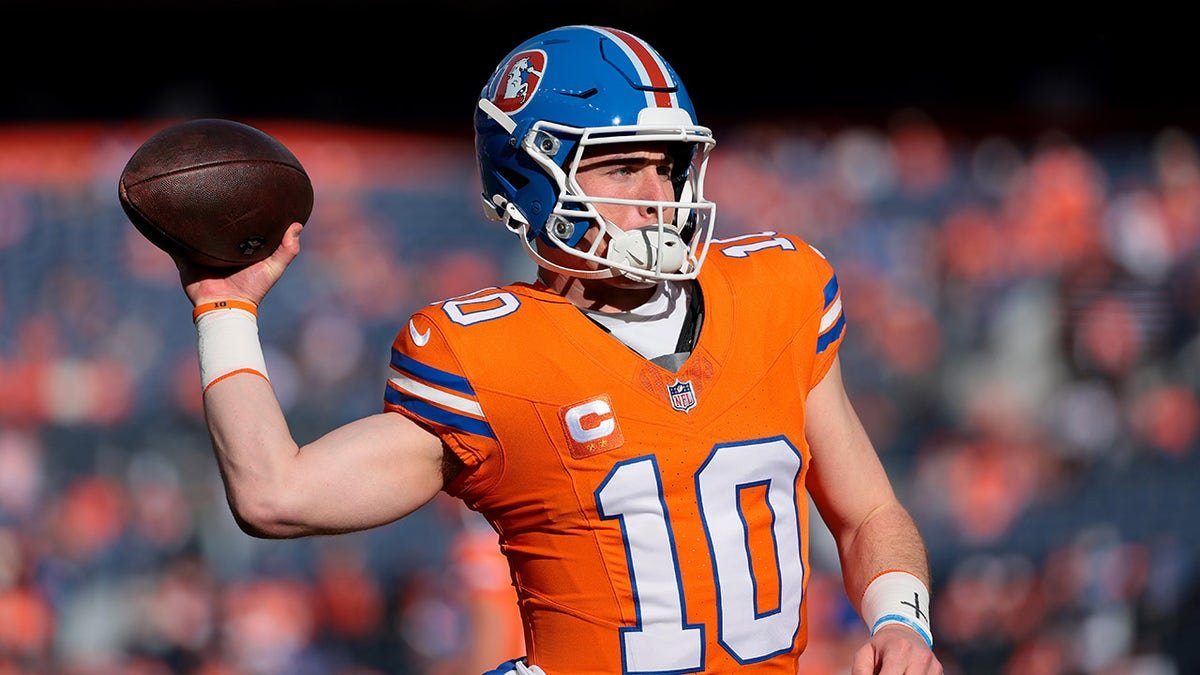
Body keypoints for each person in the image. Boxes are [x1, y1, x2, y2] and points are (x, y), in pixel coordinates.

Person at [173, 24, 943, 674]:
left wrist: (902, 618)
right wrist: (224, 306)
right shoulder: (490, 354)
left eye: (667, 165)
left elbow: (869, 508)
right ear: (532, 179)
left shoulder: (778, 290)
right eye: (619, 164)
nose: (657, 193)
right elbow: (275, 495)